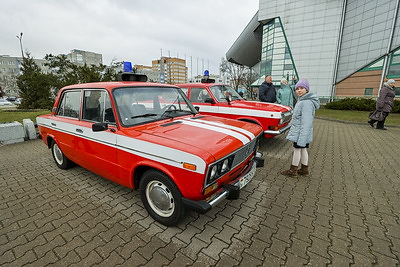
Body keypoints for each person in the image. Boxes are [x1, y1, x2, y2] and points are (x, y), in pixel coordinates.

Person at [281, 78, 320, 177]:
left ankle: (293, 170)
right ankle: (304, 169)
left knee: (297, 149)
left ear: (307, 89)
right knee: (303, 150)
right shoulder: (302, 100)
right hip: (302, 132)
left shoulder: (306, 102)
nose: (299, 90)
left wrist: (302, 138)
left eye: (302, 88)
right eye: (297, 88)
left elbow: (306, 122)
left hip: (301, 133)